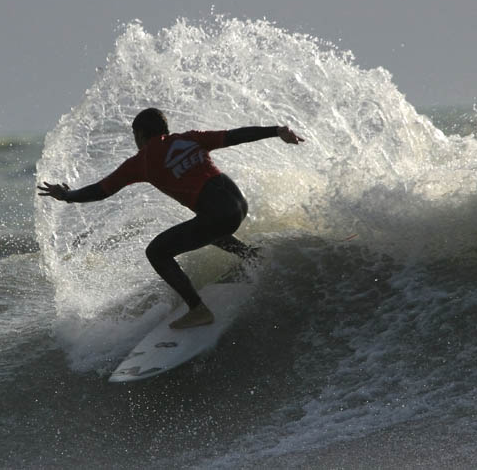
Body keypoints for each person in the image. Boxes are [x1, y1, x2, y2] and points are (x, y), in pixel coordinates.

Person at [38, 108, 304, 329]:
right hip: (238, 205)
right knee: (203, 227)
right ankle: (250, 255)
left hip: (219, 215)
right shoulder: (190, 138)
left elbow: (101, 191)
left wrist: (68, 196)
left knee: (156, 252)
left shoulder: (142, 161)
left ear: (140, 135)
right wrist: (276, 130)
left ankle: (198, 309)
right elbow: (235, 135)